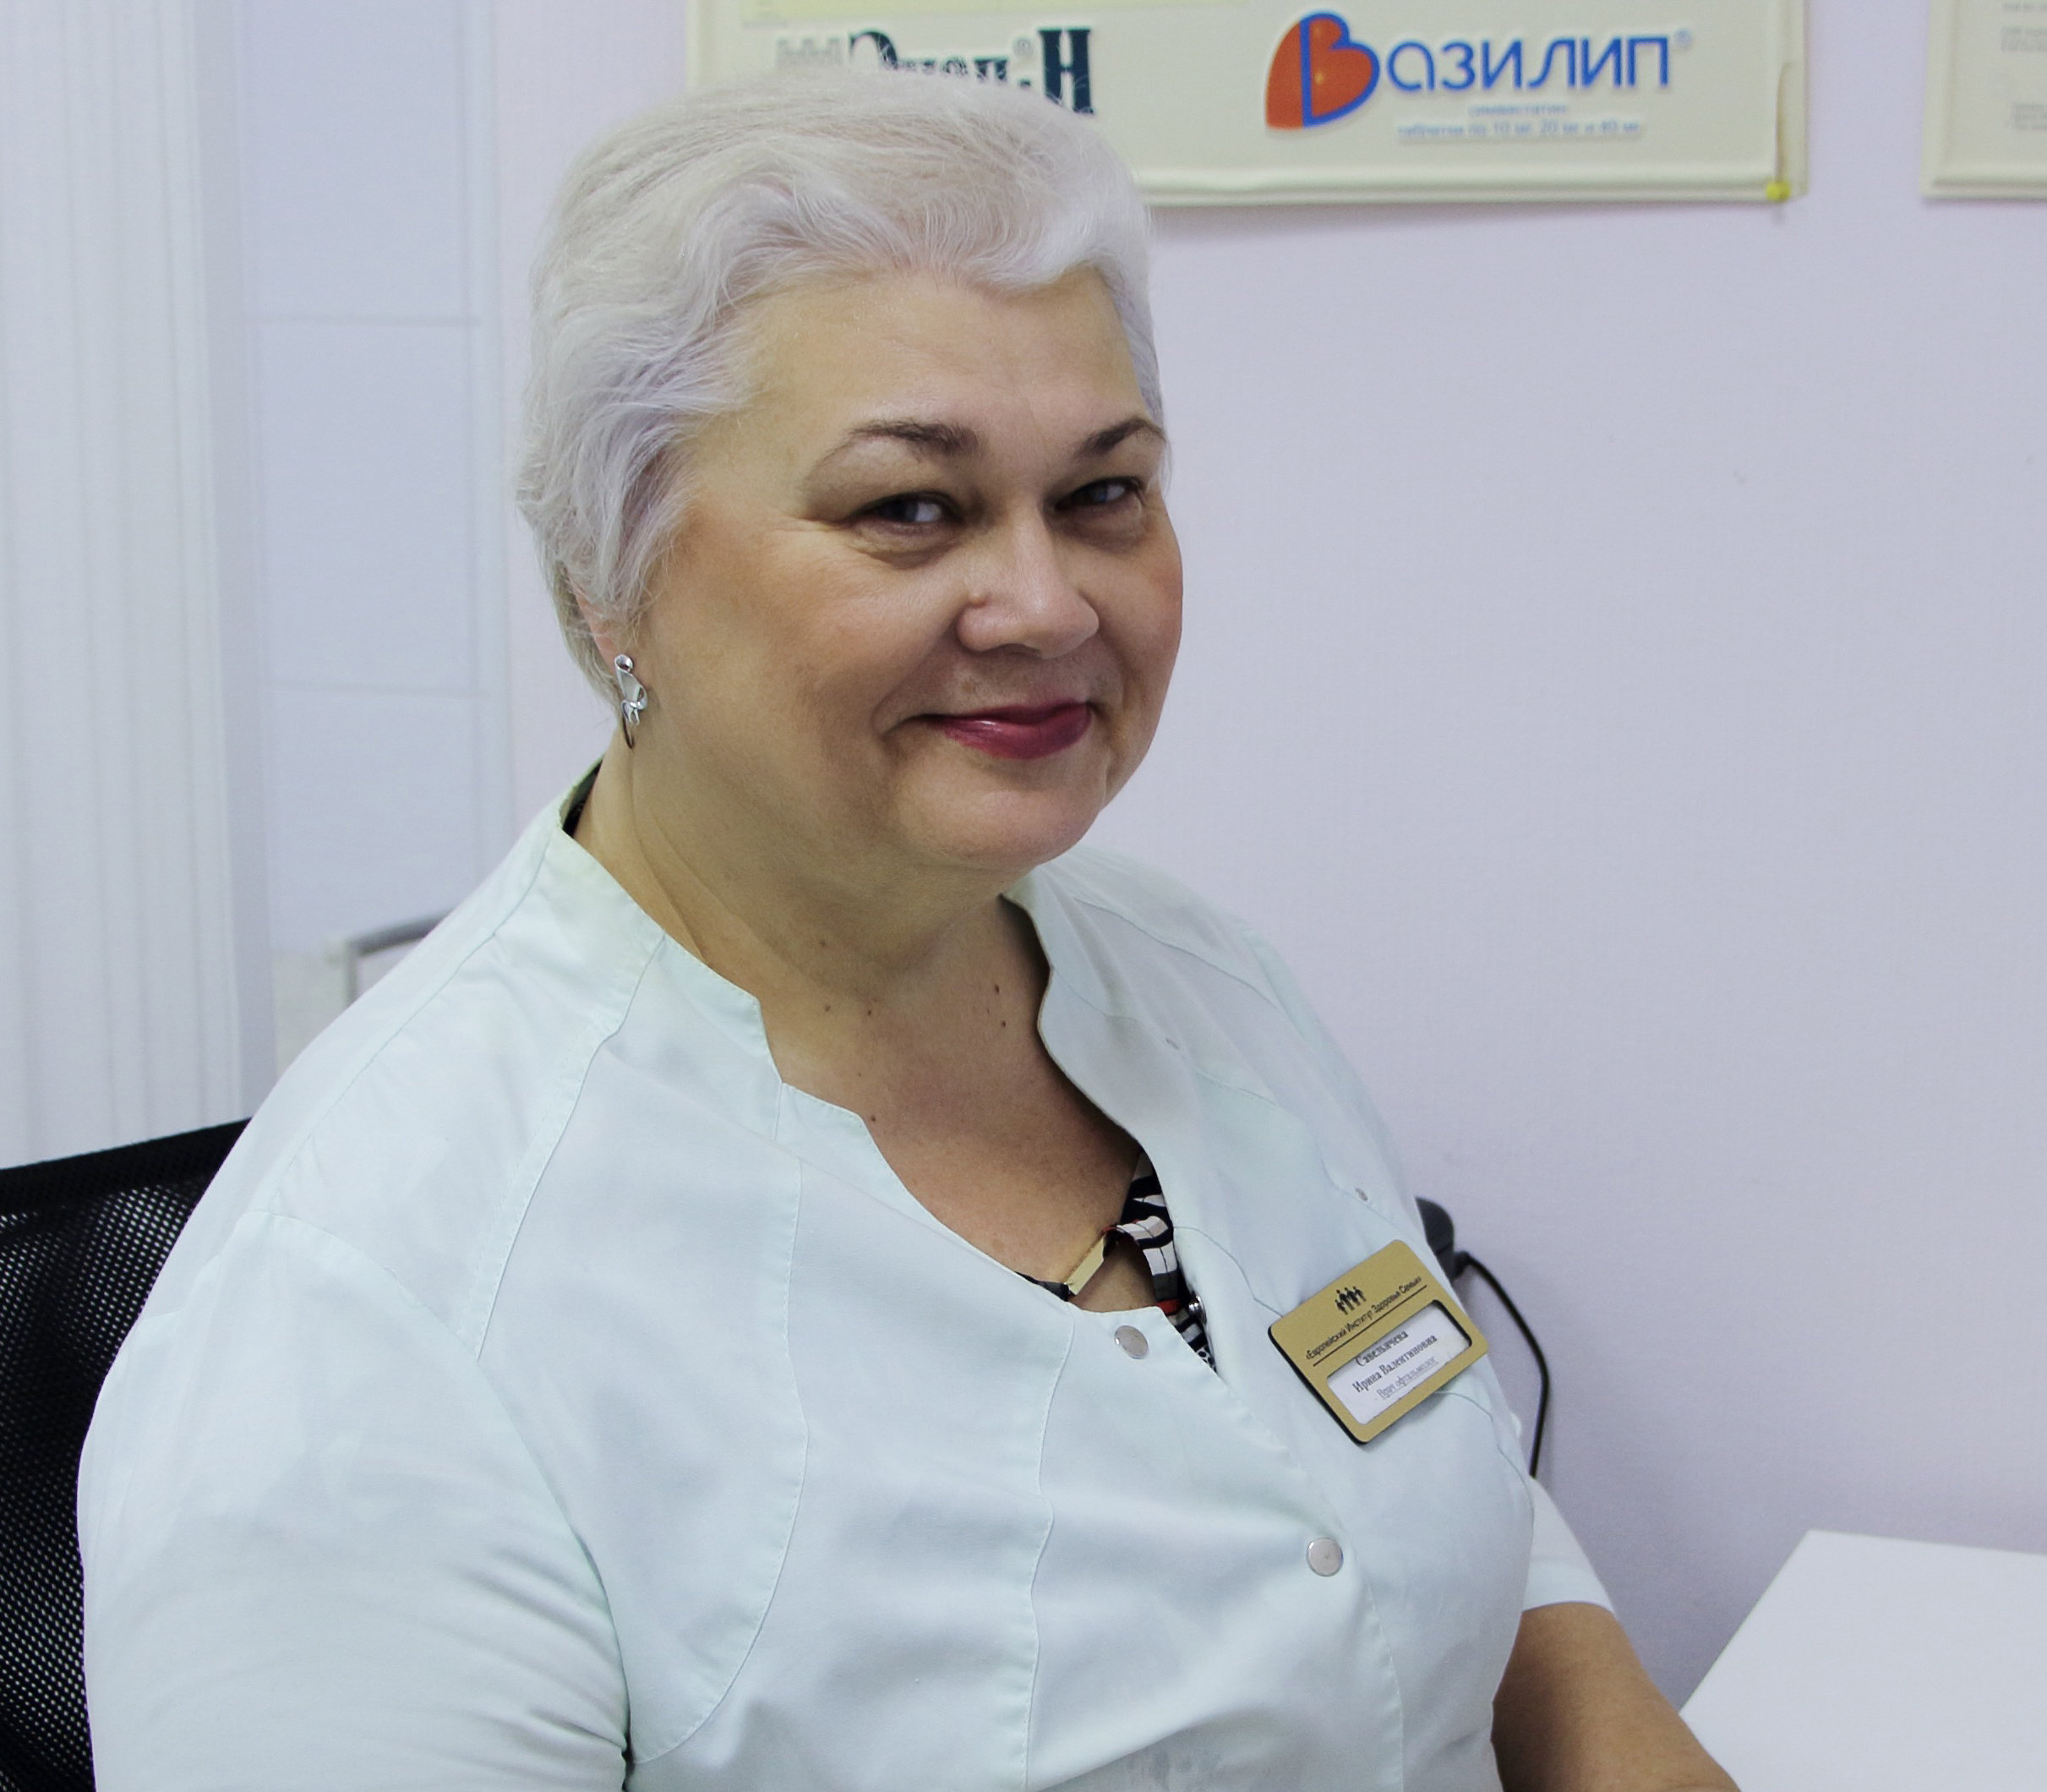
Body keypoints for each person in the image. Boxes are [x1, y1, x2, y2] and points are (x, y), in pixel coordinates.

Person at [79, 71, 1734, 1792]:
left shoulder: (1196, 978)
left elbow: (1433, 1468)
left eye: (1102, 493)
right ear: (608, 577)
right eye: (909, 509)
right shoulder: (370, 1309)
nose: (1045, 603)